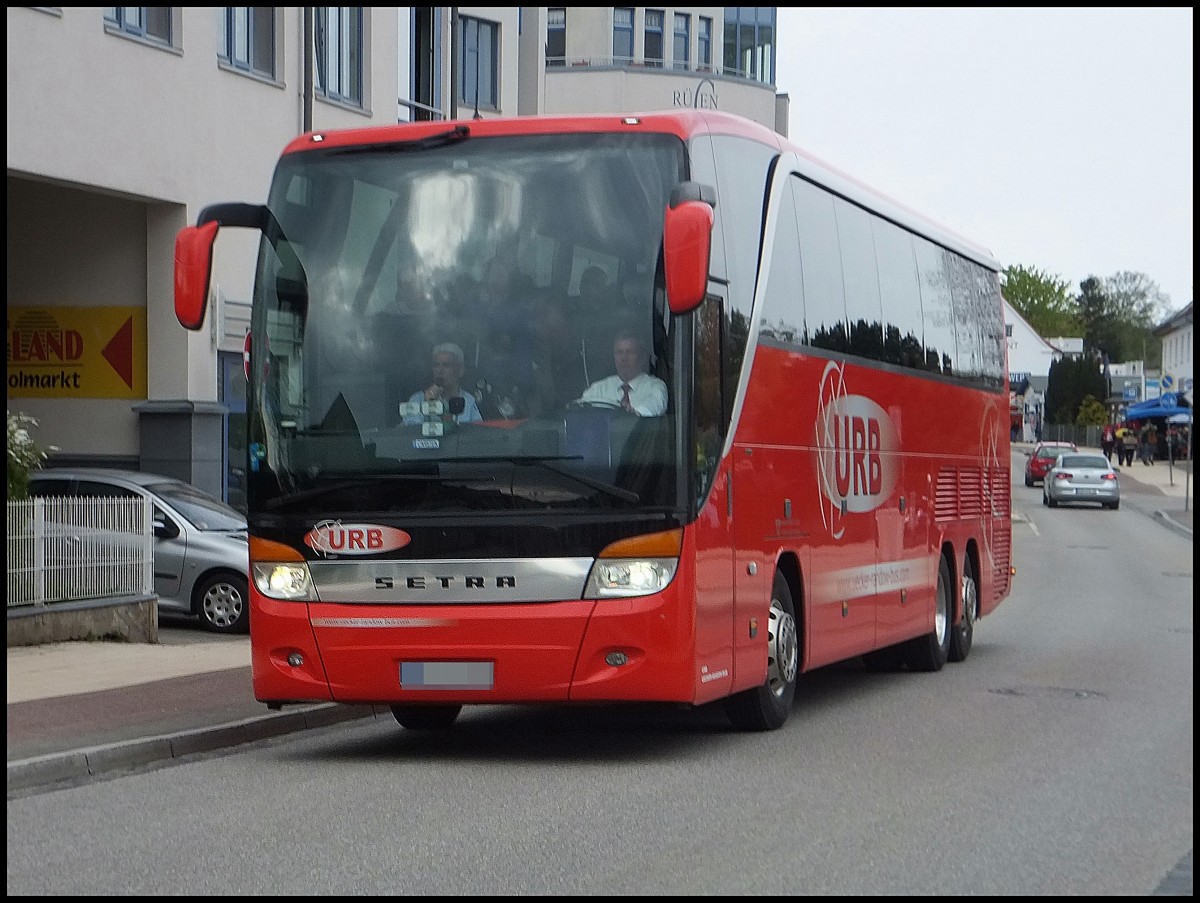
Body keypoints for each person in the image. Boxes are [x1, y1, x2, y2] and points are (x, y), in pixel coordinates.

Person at [574, 328, 667, 416]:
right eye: (619, 352)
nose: (624, 358)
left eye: (630, 352)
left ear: (642, 357)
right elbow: (579, 409)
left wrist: (631, 413)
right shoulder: (599, 389)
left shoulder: (655, 386)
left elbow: (655, 406)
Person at [402, 342, 483, 425]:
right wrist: (428, 405)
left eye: (446, 365)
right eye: (436, 365)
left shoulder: (468, 401)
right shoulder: (416, 400)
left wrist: (443, 414)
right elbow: (411, 432)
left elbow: (477, 433)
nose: (440, 370)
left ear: (460, 370)